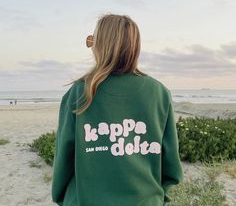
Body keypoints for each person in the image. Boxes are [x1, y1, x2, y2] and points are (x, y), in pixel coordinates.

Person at [51, 13, 184, 206]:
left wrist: (63, 199)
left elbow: (63, 159)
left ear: (101, 46)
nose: (91, 47)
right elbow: (171, 166)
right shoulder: (159, 93)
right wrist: (157, 197)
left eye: (92, 41)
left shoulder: (79, 92)